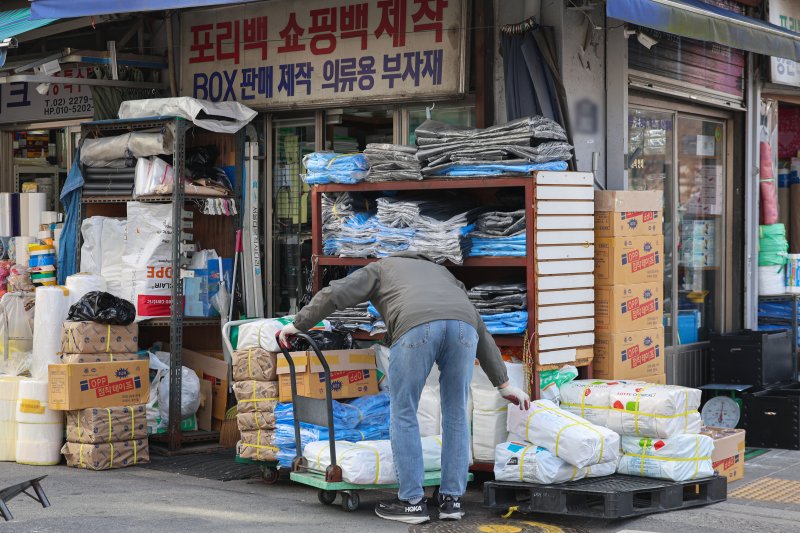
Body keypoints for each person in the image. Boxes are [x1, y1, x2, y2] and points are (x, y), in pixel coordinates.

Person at [279, 252, 530, 525]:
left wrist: (297, 324)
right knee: (456, 413)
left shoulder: (381, 268)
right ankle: (451, 501)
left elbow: (337, 293)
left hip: (415, 327)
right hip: (464, 329)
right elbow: (479, 326)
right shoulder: (442, 273)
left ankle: (411, 502)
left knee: (404, 412)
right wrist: (504, 384)